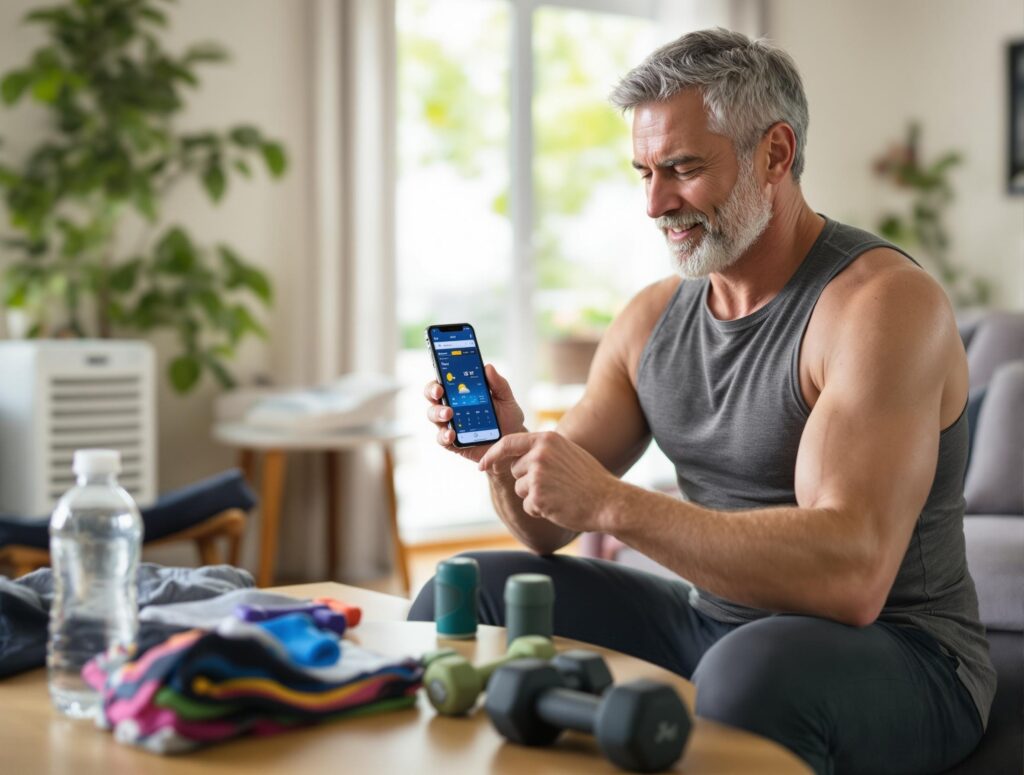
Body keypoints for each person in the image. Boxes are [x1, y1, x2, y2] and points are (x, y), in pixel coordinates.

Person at [408, 27, 994, 774]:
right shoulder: (652, 320)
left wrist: (614, 504)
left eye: (682, 169)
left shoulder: (880, 305)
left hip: (906, 655)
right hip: (713, 627)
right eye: (643, 172)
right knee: (472, 587)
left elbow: (853, 577)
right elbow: (543, 530)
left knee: (752, 670)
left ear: (774, 155)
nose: (656, 202)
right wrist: (505, 453)